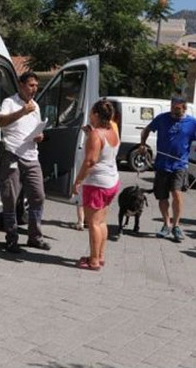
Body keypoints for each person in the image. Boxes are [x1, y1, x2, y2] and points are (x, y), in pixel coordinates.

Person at [140, 97, 196, 242]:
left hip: (180, 165)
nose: (173, 110)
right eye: (172, 107)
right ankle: (166, 224)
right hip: (161, 164)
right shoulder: (162, 119)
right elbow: (146, 129)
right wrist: (143, 144)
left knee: (177, 194)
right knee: (162, 196)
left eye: (177, 108)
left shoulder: (192, 123)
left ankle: (176, 226)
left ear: (184, 108)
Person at [0, 71, 49, 253]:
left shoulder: (35, 105)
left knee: (38, 196)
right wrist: (21, 112)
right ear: (21, 85)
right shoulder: (9, 102)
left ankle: (35, 238)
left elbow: (34, 129)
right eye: (31, 85)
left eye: (36, 86)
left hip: (31, 156)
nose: (34, 89)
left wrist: (39, 136)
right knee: (10, 199)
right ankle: (11, 239)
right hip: (12, 154)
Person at [72, 100, 121, 270]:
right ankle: (99, 256)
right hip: (112, 180)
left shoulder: (96, 134)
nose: (90, 116)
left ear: (97, 115)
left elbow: (90, 161)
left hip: (97, 183)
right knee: (101, 221)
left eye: (92, 113)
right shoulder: (113, 129)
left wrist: (78, 180)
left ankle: (93, 260)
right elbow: (104, 150)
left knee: (92, 223)